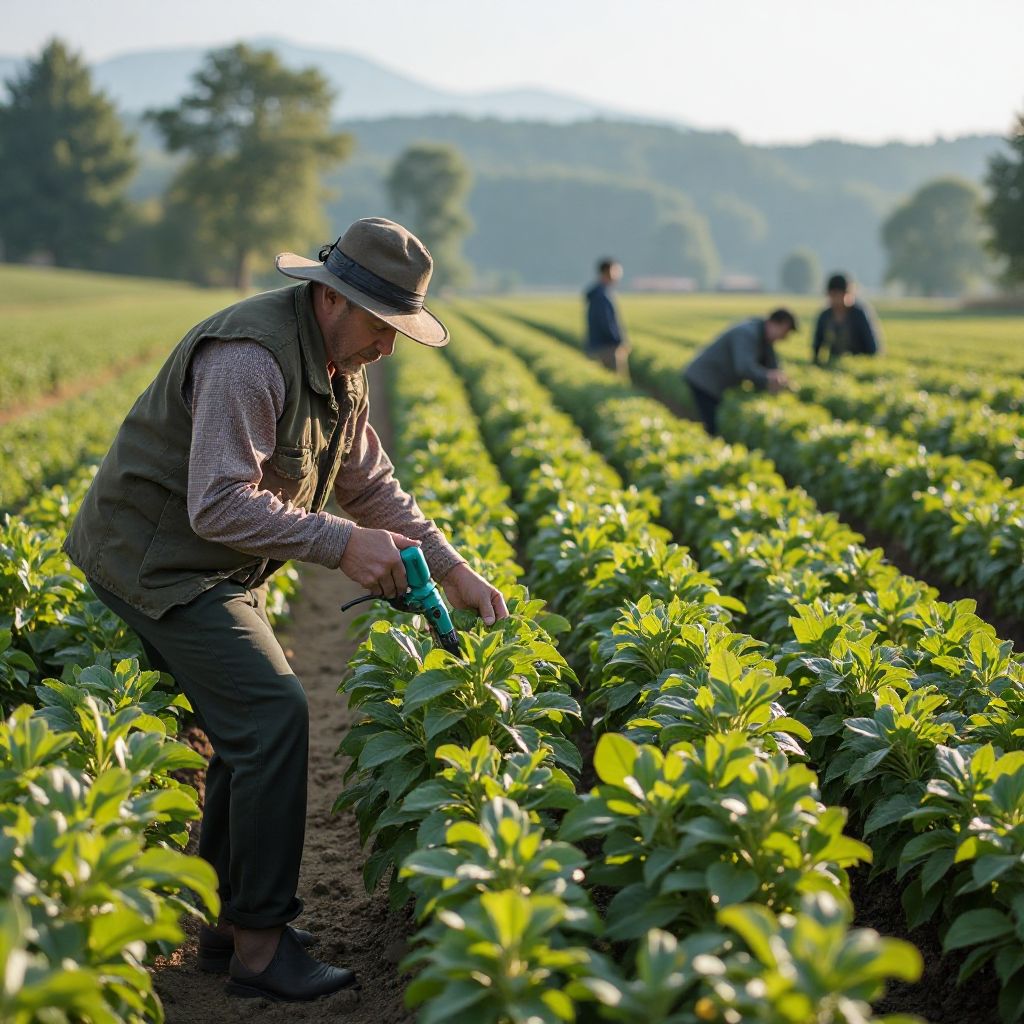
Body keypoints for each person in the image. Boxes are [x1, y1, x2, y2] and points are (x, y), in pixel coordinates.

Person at [63, 217, 509, 1002]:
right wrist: (342, 545)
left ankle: (228, 923)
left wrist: (455, 569)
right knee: (272, 711)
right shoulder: (250, 358)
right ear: (332, 300)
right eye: (382, 326)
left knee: (248, 725)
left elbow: (370, 487)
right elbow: (217, 504)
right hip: (159, 561)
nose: (389, 347)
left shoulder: (343, 365)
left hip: (218, 563)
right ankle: (262, 948)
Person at [683, 308, 798, 436]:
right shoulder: (747, 333)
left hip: (715, 381)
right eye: (785, 332)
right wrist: (768, 377)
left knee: (713, 421)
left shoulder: (764, 337)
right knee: (711, 425)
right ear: (776, 324)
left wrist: (780, 379)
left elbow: (772, 365)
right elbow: (744, 368)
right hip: (704, 379)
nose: (784, 338)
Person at [812, 272, 882, 365]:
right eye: (833, 295)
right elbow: (817, 345)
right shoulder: (825, 316)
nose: (836, 300)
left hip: (858, 363)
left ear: (849, 294)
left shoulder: (859, 314)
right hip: (834, 363)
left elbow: (872, 347)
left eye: (839, 295)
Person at [583, 258, 629, 375]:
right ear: (608, 272)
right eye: (617, 271)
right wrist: (619, 341)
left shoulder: (598, 293)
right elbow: (606, 322)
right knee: (615, 382)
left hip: (597, 345)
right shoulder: (602, 295)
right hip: (607, 348)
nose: (619, 274)